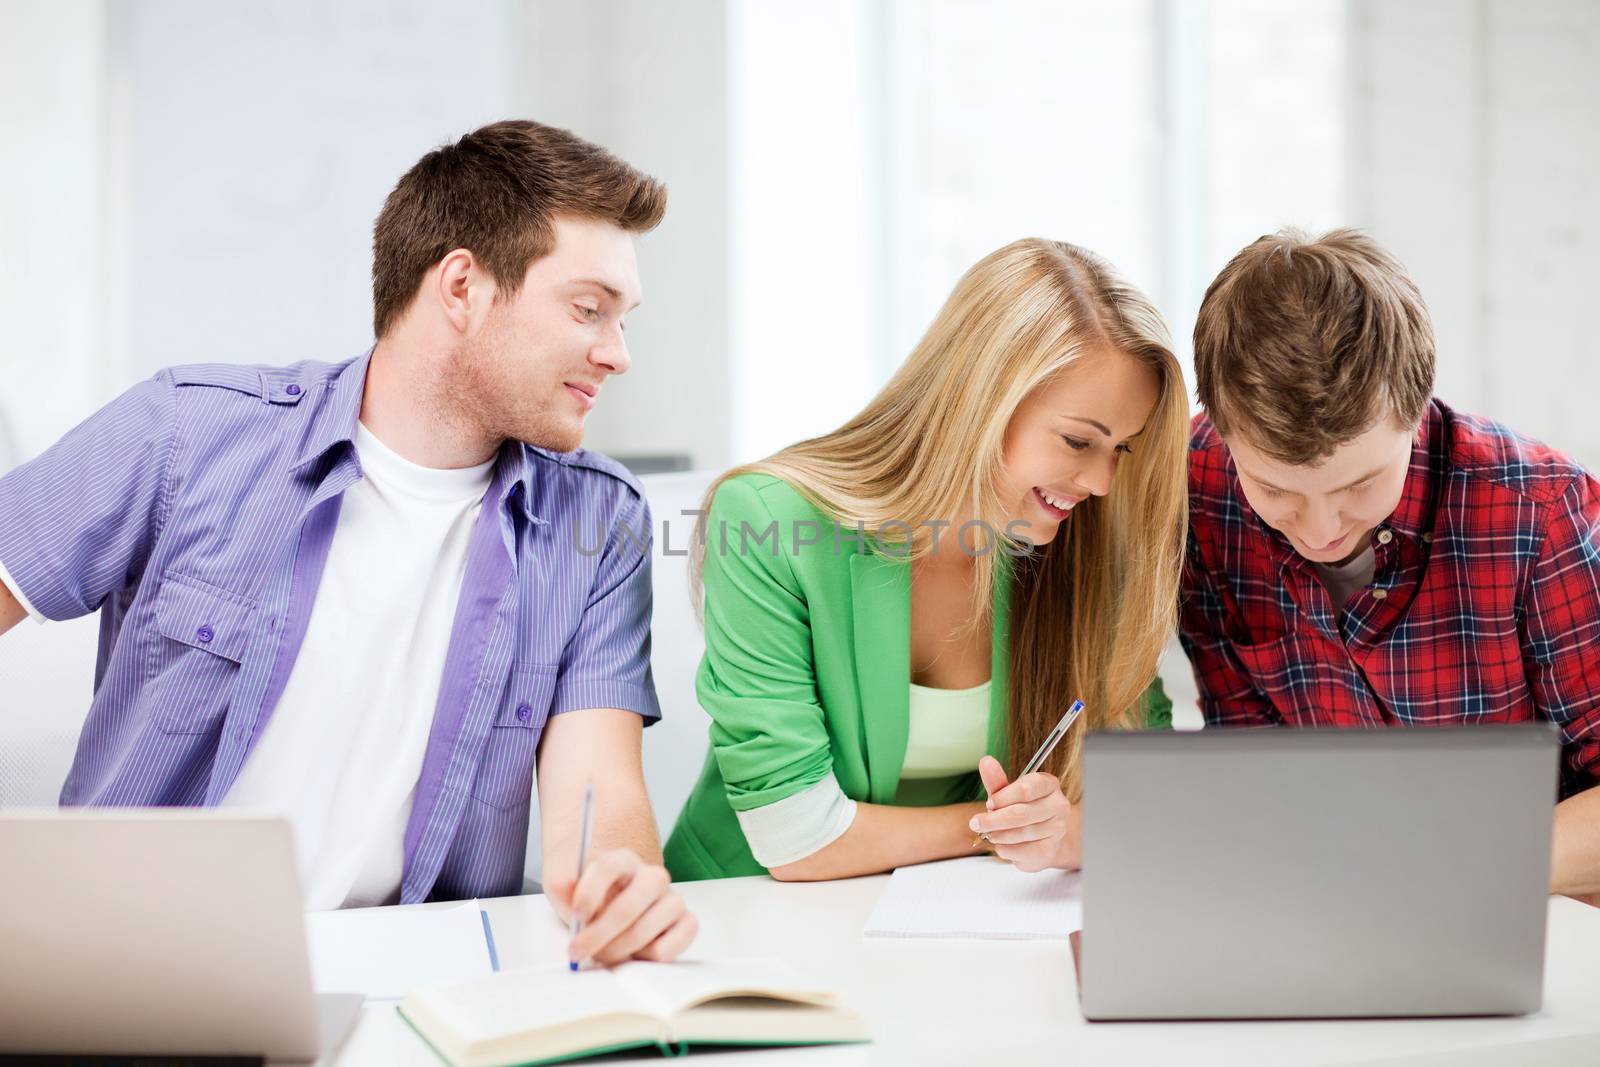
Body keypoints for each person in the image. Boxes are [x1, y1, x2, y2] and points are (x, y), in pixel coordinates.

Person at [0, 120, 696, 965]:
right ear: (462, 288)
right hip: (127, 971)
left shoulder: (597, 524)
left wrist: (619, 882)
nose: (618, 354)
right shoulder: (183, 433)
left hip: (415, 987)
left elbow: (600, 794)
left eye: (625, 320)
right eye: (589, 309)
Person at [664, 238, 1189, 881]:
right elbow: (795, 834)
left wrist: (1069, 833)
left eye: (1122, 451)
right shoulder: (769, 521)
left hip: (952, 925)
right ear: (980, 397)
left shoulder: (1077, 542)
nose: (1102, 482)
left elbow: (1150, 794)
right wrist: (1010, 831)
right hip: (742, 920)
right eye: (1079, 440)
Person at [1179, 227, 1600, 904]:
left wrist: (1443, 871)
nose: (1319, 531)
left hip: (1531, 911)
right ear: (1223, 430)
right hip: (1318, 904)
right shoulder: (1200, 489)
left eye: (1357, 486)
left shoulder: (1539, 513)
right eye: (1276, 491)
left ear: (1417, 409)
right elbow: (1249, 764)